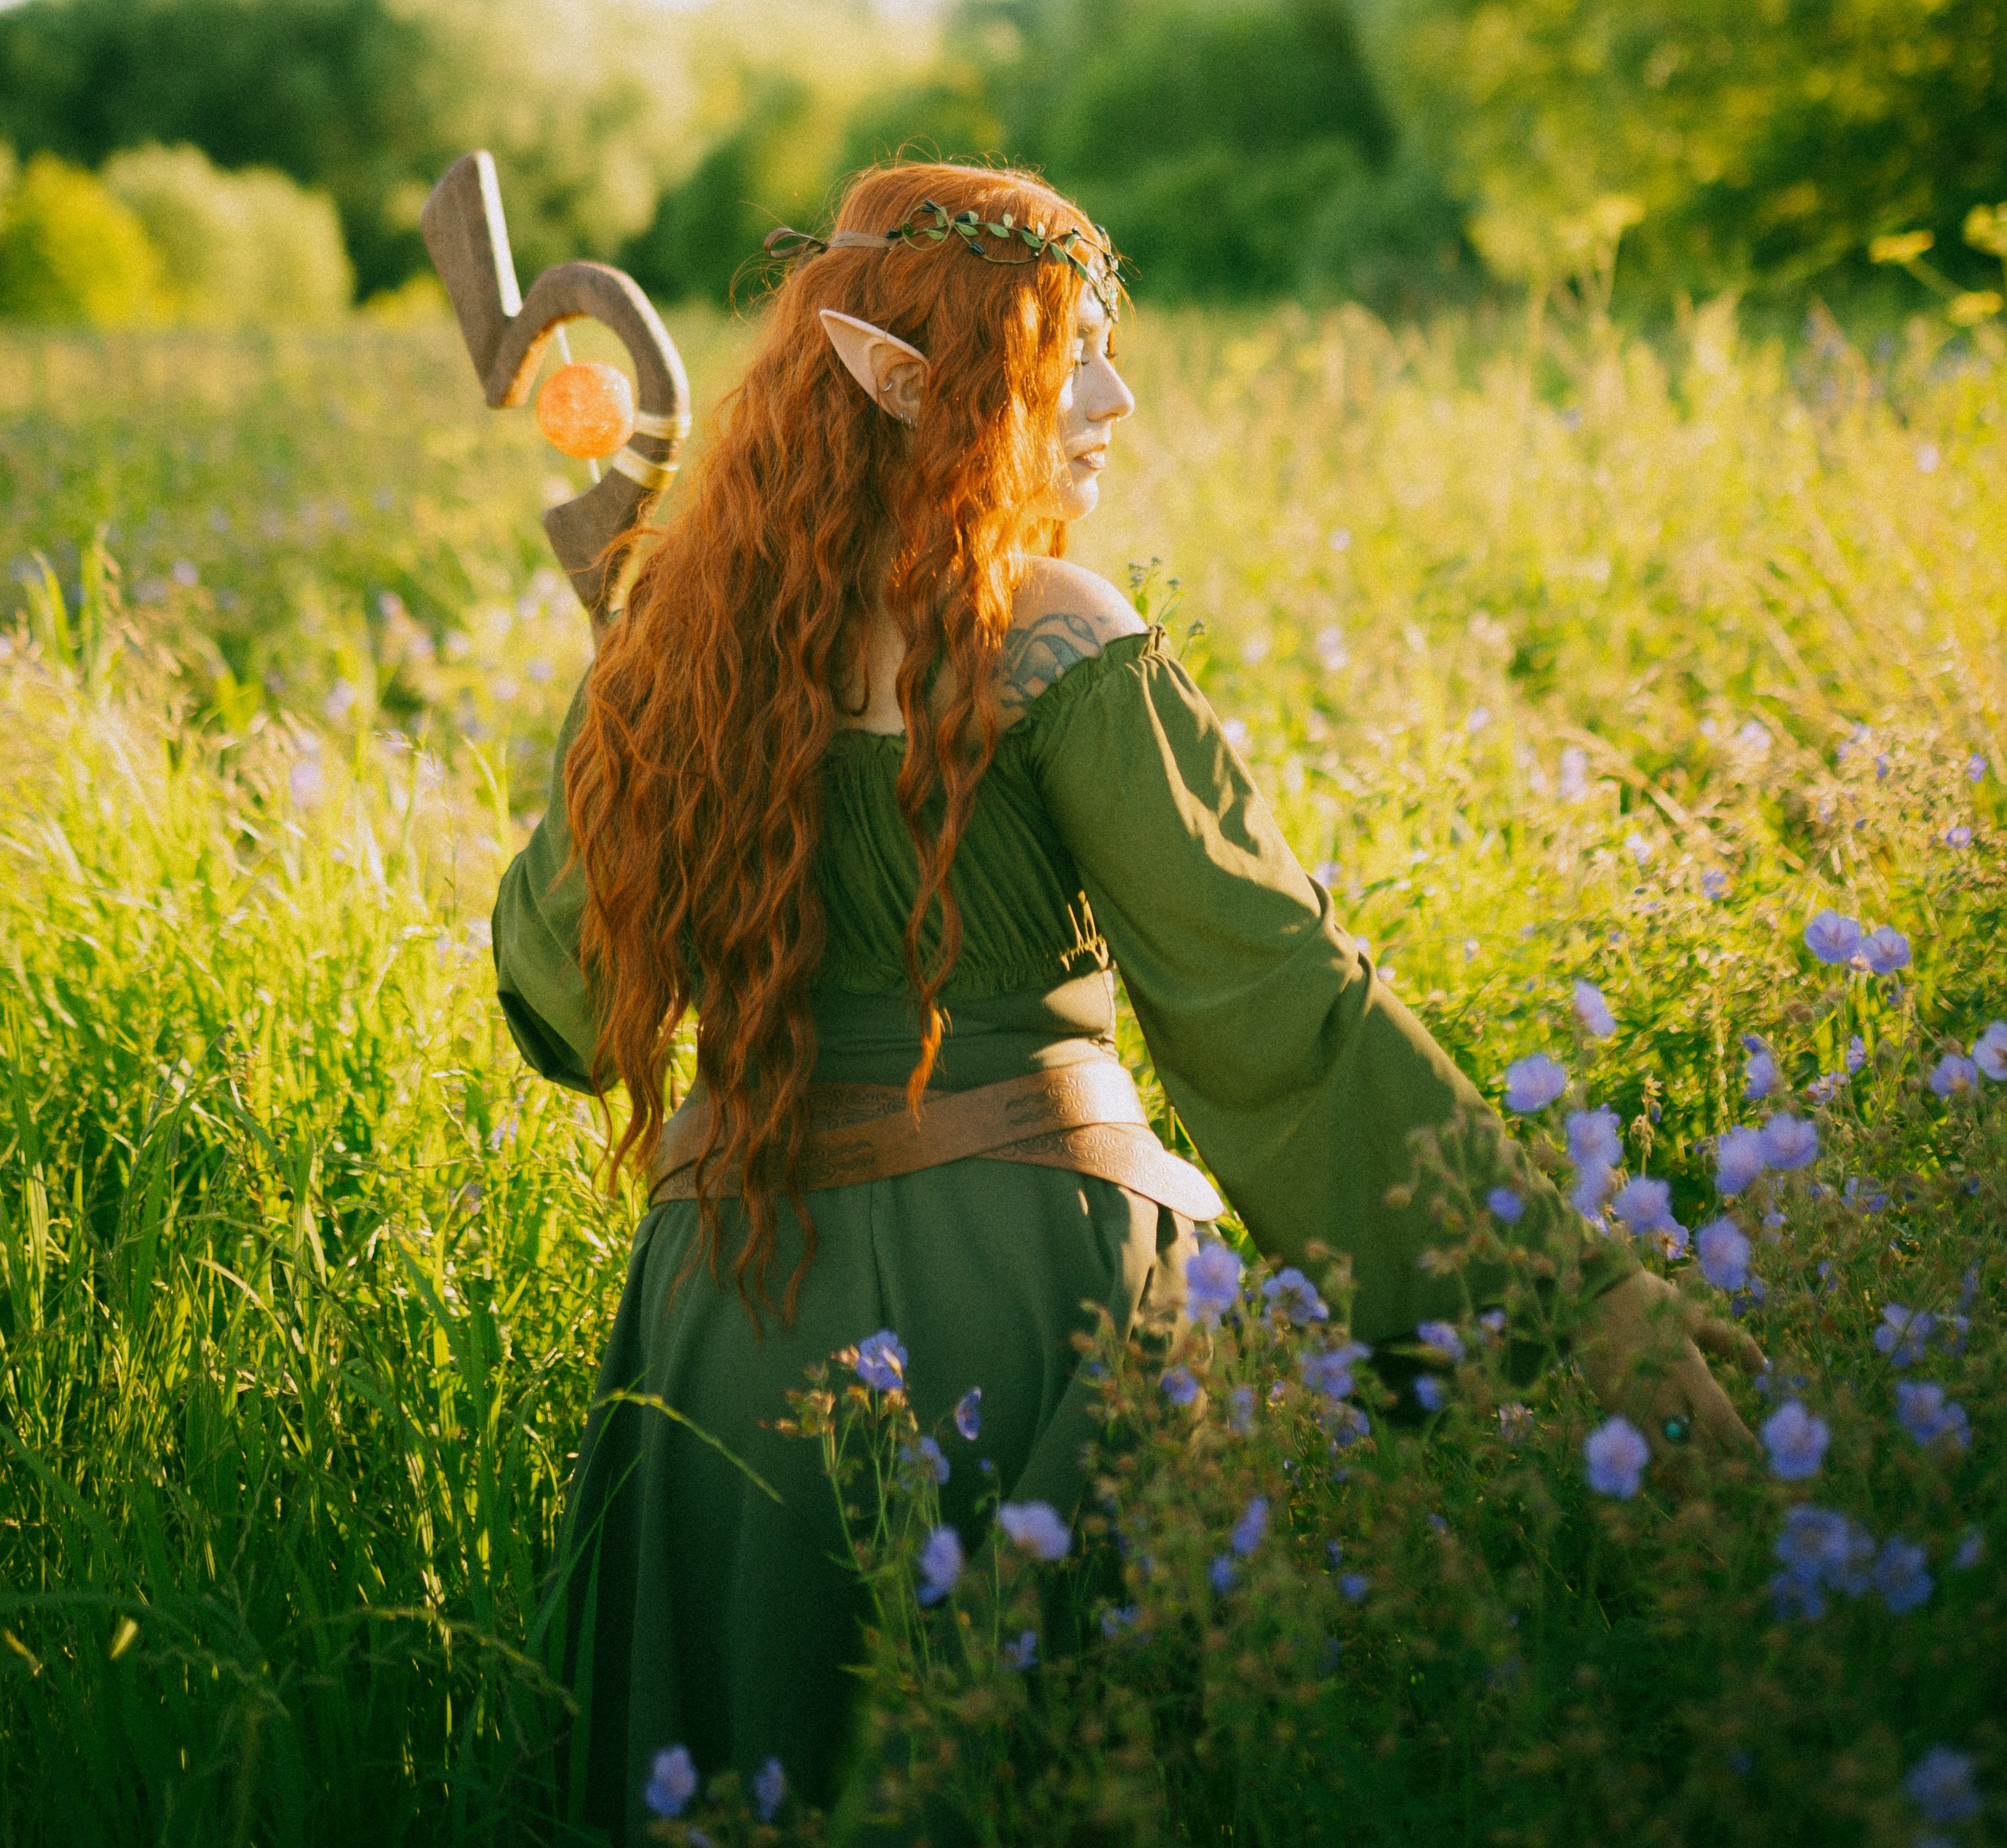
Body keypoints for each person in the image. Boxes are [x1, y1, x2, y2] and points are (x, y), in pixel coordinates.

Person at [492, 161, 1751, 1838]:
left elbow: (557, 1010)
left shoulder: (686, 650)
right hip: (1028, 1315)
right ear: (906, 382)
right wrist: (1575, 1306)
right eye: (1060, 356)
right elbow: (1280, 1010)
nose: (1112, 398)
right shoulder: (1050, 633)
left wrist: (624, 697)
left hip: (731, 1324)